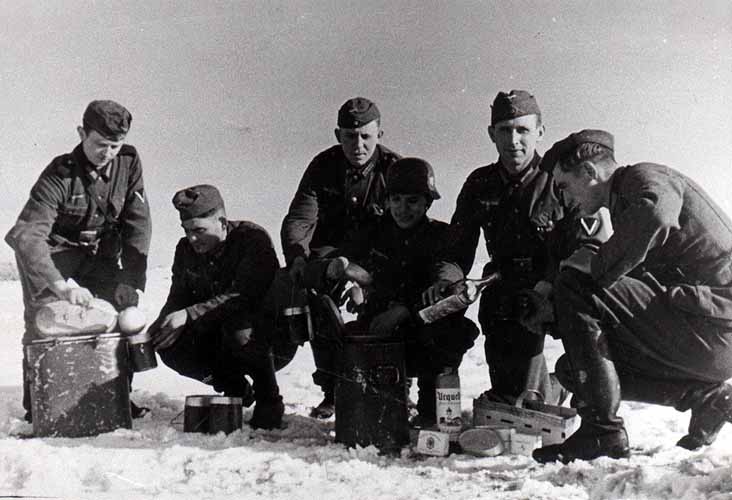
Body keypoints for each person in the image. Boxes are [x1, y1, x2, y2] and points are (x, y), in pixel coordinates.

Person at [531, 129, 732, 463]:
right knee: (576, 371)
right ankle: (704, 397)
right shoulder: (626, 203)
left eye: (564, 186)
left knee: (574, 283)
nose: (564, 199)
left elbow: (656, 216)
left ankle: (602, 433)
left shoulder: (645, 177)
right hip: (704, 336)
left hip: (715, 330)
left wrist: (591, 270)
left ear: (590, 172)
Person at [446, 90, 610, 406]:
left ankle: (575, 384)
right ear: (491, 133)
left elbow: (588, 245)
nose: (514, 140)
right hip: (502, 290)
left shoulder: (561, 180)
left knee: (534, 399)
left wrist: (549, 286)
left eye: (522, 129)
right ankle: (538, 390)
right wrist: (450, 280)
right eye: (505, 130)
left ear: (540, 131)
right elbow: (457, 249)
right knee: (515, 399)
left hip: (557, 286)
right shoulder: (479, 183)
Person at [5, 100, 151, 422]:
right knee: (47, 323)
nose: (108, 153)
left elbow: (138, 222)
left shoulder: (129, 161)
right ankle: (41, 404)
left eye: (116, 145)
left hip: (100, 255)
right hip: (55, 254)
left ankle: (115, 395)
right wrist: (59, 285)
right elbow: (28, 236)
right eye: (101, 144)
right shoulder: (59, 175)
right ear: (81, 133)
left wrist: (131, 278)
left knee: (119, 320)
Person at [321, 157, 479, 426]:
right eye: (396, 200)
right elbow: (340, 260)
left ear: (427, 203)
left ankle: (431, 409)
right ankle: (380, 401)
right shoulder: (373, 232)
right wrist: (351, 274)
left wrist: (406, 309)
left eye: (413, 201)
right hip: (379, 329)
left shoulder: (440, 236)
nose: (403, 209)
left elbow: (449, 271)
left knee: (453, 331)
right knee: (340, 337)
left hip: (419, 330)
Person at [280, 97, 401, 418]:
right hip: (331, 259)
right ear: (338, 135)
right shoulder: (322, 167)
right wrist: (296, 257)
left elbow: (402, 232)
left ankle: (396, 390)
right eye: (350, 136)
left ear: (380, 134)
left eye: (366, 137)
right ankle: (332, 390)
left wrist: (366, 281)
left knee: (390, 307)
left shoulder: (395, 169)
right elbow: (300, 219)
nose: (358, 145)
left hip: (379, 260)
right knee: (320, 300)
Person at [148, 184, 297, 430]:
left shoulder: (252, 239)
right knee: (169, 343)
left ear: (222, 222)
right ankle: (234, 387)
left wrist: (187, 315)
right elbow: (178, 297)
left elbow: (244, 296)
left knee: (238, 324)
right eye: (186, 230)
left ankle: (269, 399)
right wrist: (159, 326)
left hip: (269, 339)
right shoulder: (185, 250)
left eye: (199, 230)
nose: (192, 238)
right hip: (221, 336)